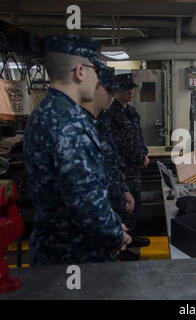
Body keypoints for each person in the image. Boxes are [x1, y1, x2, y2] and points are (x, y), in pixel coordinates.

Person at [23, 35, 131, 265]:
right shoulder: (70, 122)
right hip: (76, 253)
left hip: (53, 248)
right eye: (96, 72)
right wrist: (115, 233)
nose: (98, 80)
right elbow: (86, 199)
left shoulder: (45, 112)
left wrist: (111, 223)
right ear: (80, 71)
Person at [83, 67, 141, 261]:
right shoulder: (81, 124)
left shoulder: (103, 119)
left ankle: (127, 240)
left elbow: (112, 154)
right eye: (108, 90)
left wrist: (122, 186)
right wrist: (111, 225)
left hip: (118, 184)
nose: (110, 95)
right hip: (89, 226)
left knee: (132, 206)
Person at [105, 73, 150, 248]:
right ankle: (124, 242)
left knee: (135, 203)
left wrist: (144, 154)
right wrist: (139, 157)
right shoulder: (112, 114)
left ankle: (132, 235)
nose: (130, 92)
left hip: (135, 168)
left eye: (131, 88)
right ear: (116, 91)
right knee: (125, 206)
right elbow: (121, 144)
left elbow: (138, 137)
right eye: (126, 88)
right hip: (123, 169)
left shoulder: (131, 112)